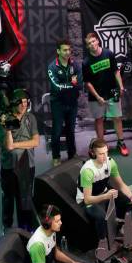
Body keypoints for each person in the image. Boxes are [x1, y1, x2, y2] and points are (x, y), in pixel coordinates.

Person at [77, 138, 132, 240]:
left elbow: (121, 185)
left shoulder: (110, 162)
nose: (105, 157)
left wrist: (131, 196)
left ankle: (122, 231)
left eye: (106, 152)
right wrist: (106, 196)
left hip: (104, 192)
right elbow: (87, 200)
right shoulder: (87, 171)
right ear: (92, 153)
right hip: (88, 200)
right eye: (101, 154)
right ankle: (103, 243)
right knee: (101, 217)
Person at [0, 88, 39, 232]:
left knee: (25, 198)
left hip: (28, 165)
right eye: (20, 103)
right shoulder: (4, 120)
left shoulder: (30, 118)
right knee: (8, 198)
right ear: (14, 104)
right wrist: (9, 129)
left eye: (26, 102)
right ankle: (6, 227)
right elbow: (8, 146)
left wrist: (16, 144)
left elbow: (35, 142)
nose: (24, 105)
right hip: (9, 167)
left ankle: (25, 227)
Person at [82, 32, 129, 157]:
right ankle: (101, 145)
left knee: (117, 118)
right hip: (96, 97)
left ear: (98, 41)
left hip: (112, 93)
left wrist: (121, 87)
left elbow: (116, 72)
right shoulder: (86, 62)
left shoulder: (109, 54)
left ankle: (121, 142)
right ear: (87, 46)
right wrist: (98, 97)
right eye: (89, 43)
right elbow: (87, 83)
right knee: (99, 120)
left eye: (93, 41)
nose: (92, 44)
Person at [47, 37, 82, 166]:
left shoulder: (75, 65)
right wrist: (71, 84)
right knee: (56, 131)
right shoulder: (52, 67)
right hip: (58, 104)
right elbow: (56, 87)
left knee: (70, 130)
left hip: (72, 103)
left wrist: (70, 85)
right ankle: (56, 157)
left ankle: (72, 154)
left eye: (69, 49)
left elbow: (80, 85)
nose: (68, 52)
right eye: (65, 50)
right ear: (58, 51)